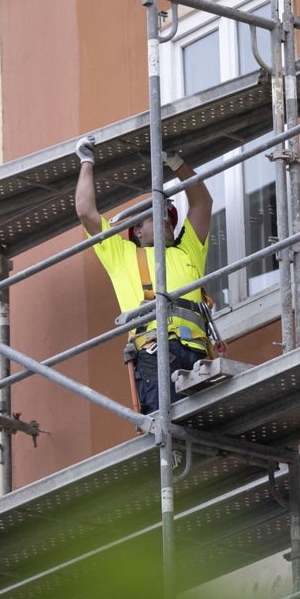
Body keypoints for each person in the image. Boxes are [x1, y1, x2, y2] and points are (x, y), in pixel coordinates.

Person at [74, 134, 213, 414]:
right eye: (155, 216)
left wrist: (176, 162)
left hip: (197, 353)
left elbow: (202, 204)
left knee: (205, 427)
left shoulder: (187, 250)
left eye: (168, 217)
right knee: (170, 425)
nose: (165, 220)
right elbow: (86, 212)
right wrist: (87, 162)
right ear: (137, 231)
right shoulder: (122, 255)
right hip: (155, 354)